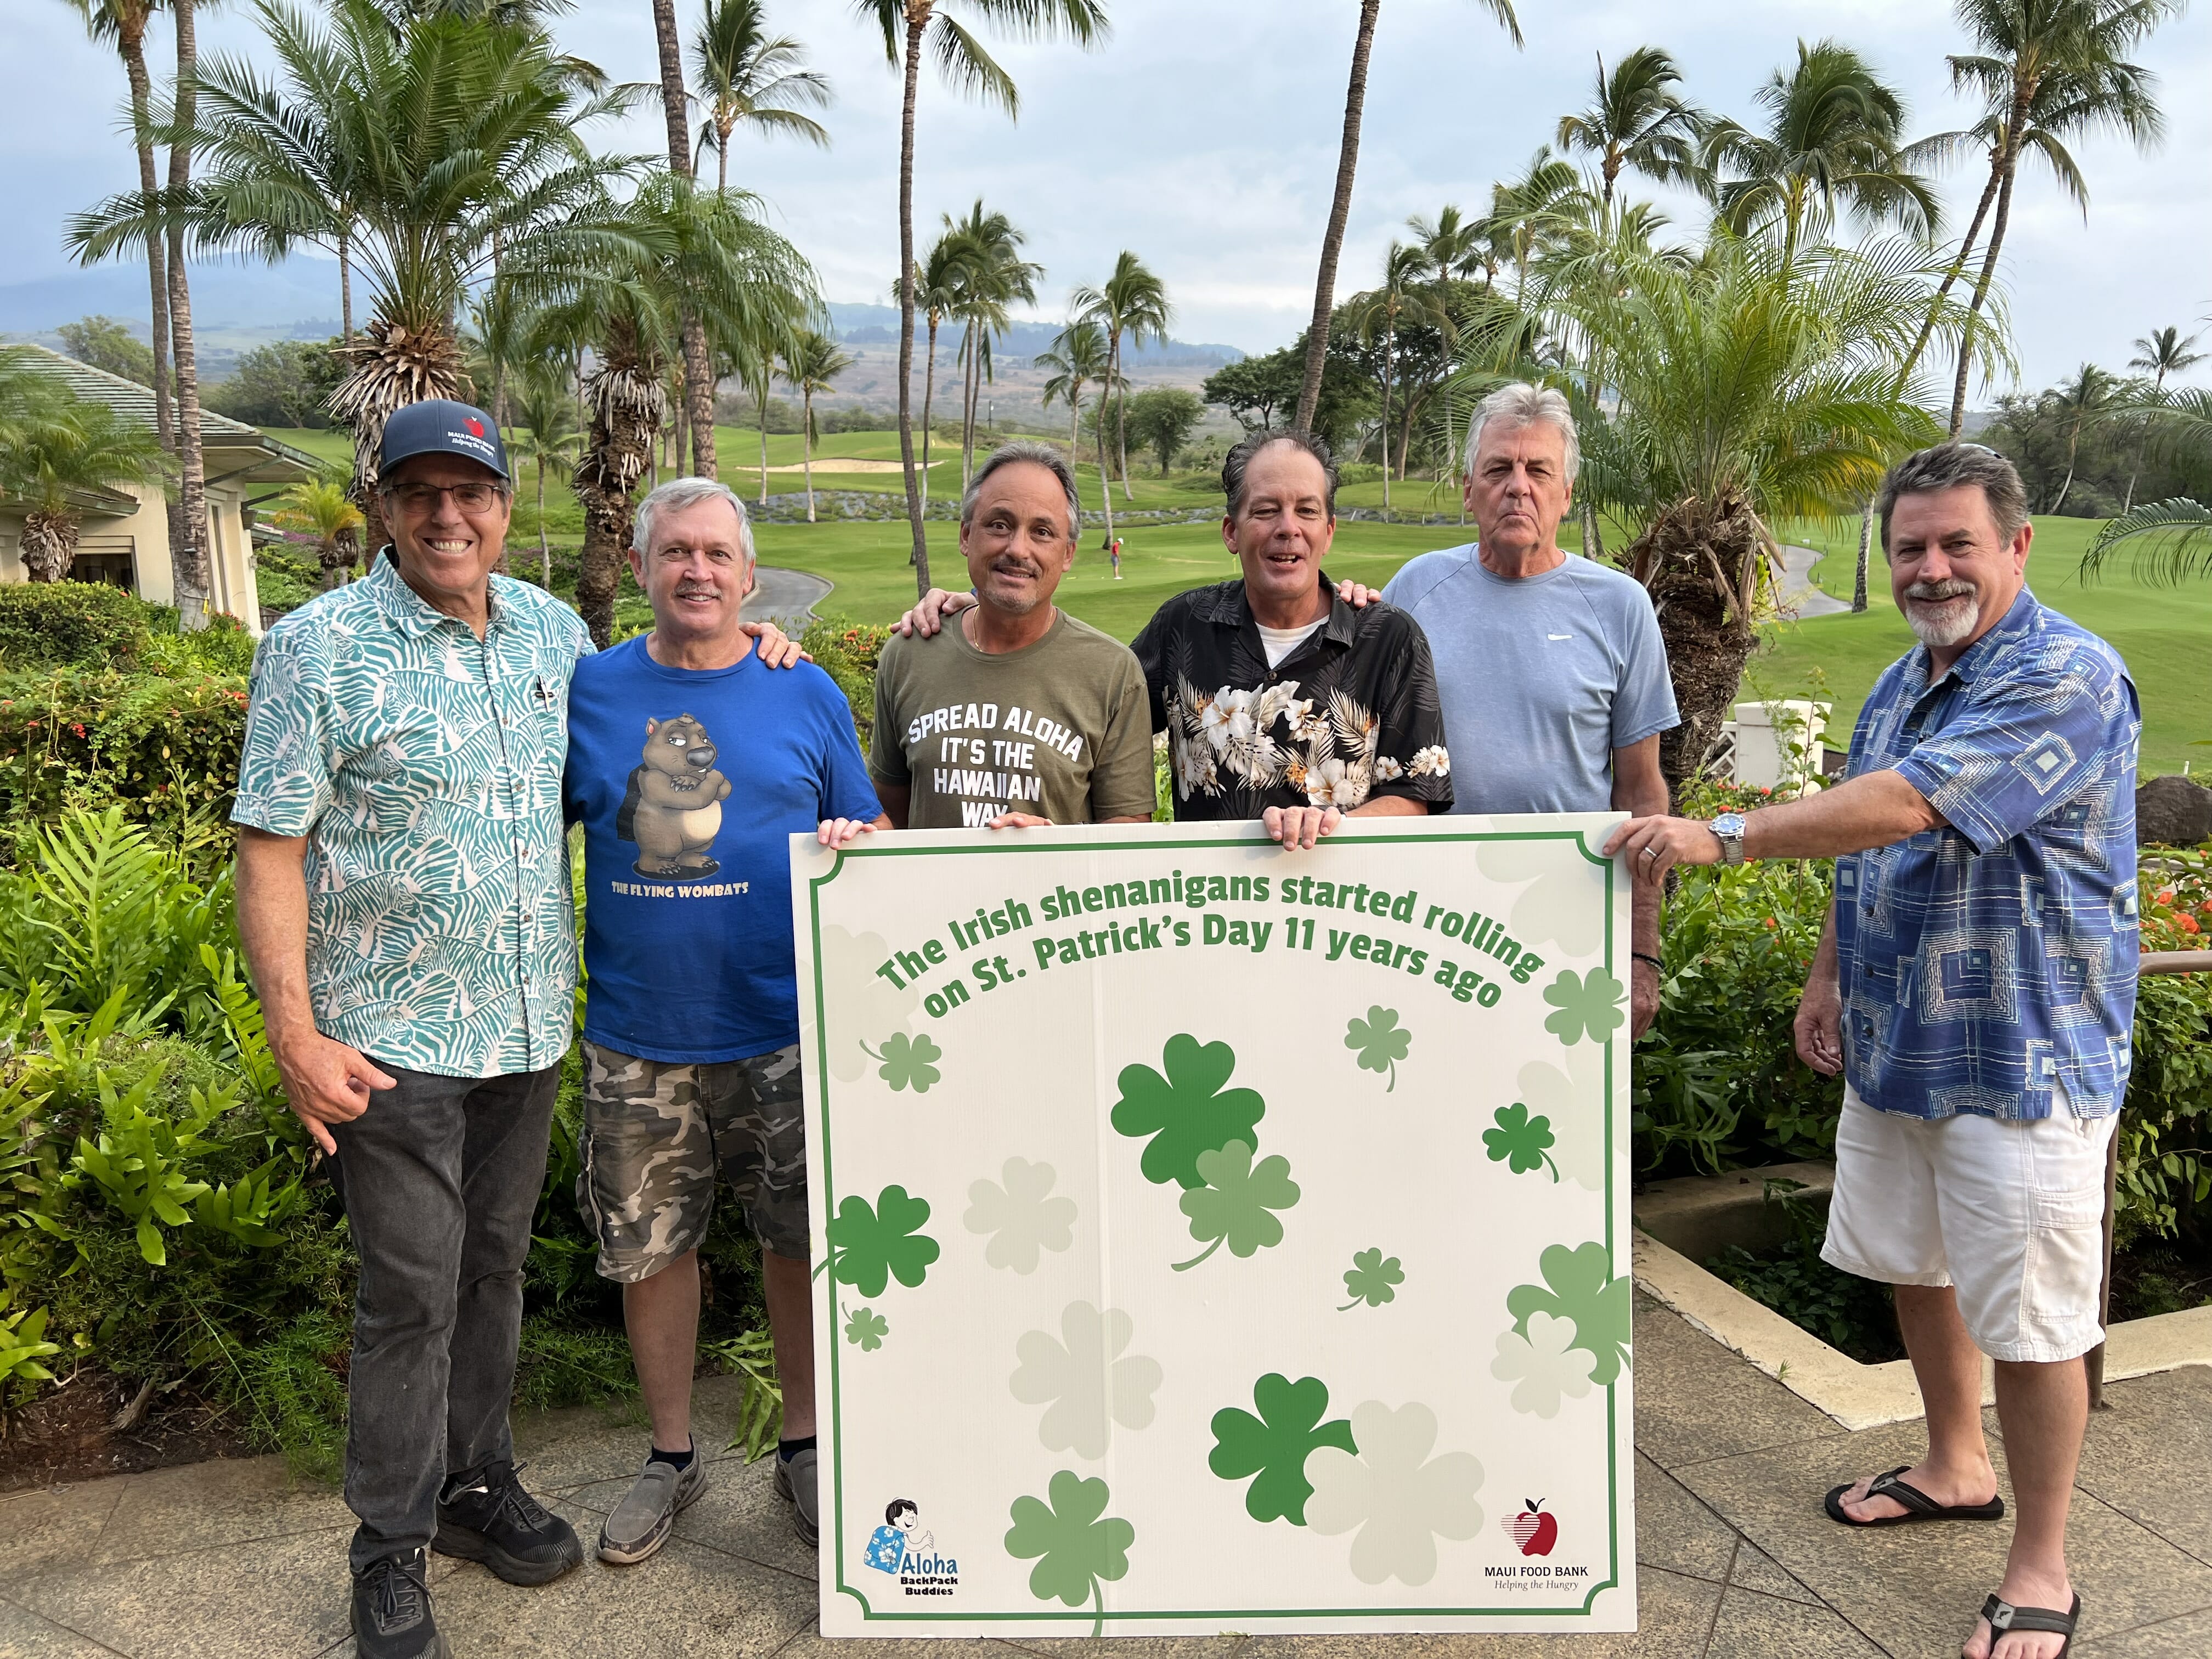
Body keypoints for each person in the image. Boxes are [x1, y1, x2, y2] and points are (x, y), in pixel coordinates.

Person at [1605, 443, 2140, 1659]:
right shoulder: (1903, 680)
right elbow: (1871, 850)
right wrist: (1828, 975)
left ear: (2017, 546)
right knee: (1917, 1262)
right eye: (1911, 547)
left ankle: (2045, 1565)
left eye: (1959, 543)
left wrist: (1720, 834)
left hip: (2022, 1060)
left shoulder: (2067, 676)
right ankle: (1956, 1465)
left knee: (2039, 1321)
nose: (1933, 567)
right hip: (1901, 1039)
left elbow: (1910, 805)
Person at [233, 399, 594, 1659]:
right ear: (384, 505)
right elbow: (269, 847)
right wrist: (296, 1040)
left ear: (504, 505)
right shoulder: (317, 647)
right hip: (387, 1043)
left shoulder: (557, 633)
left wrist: (759, 648)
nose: (451, 515)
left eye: (473, 492)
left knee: (493, 1275)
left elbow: (659, 748)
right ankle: (386, 1551)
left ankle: (472, 1486)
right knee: (409, 1298)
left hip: (528, 1026)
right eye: (422, 493)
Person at [562, 478, 885, 1565]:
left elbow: (867, 829)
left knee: (799, 1242)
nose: (695, 571)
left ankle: (803, 1446)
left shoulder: (807, 690)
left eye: (715, 553)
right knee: (655, 1253)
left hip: (790, 1026)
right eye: (674, 552)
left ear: (749, 578)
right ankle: (669, 1458)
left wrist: (856, 839)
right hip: (637, 1035)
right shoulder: (592, 689)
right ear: (645, 569)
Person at [902, 430, 1451, 848]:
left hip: (1343, 920)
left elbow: (1417, 793)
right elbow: (1088, 706)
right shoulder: (1185, 627)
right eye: (1266, 511)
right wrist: (987, 604)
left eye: (1307, 511)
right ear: (1232, 532)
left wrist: (1330, 827)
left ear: (1328, 531)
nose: (1288, 527)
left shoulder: (1387, 638)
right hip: (1201, 927)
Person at [1332, 384, 1676, 1034]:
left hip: (1571, 911)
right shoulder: (1416, 590)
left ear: (1566, 494)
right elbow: (1352, 735)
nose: (1518, 487)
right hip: (1429, 918)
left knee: (1557, 1114)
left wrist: (1640, 950)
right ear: (1469, 490)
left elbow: (1643, 794)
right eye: (1498, 469)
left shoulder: (1621, 607)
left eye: (1538, 470)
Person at [871, 441, 1158, 830]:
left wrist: (1055, 846)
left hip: (1057, 892)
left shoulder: (1113, 672)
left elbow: (1128, 827)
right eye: (999, 525)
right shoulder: (909, 654)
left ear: (1068, 554)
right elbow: (889, 814)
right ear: (966, 536)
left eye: (1042, 532)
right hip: (933, 892)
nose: (1018, 549)